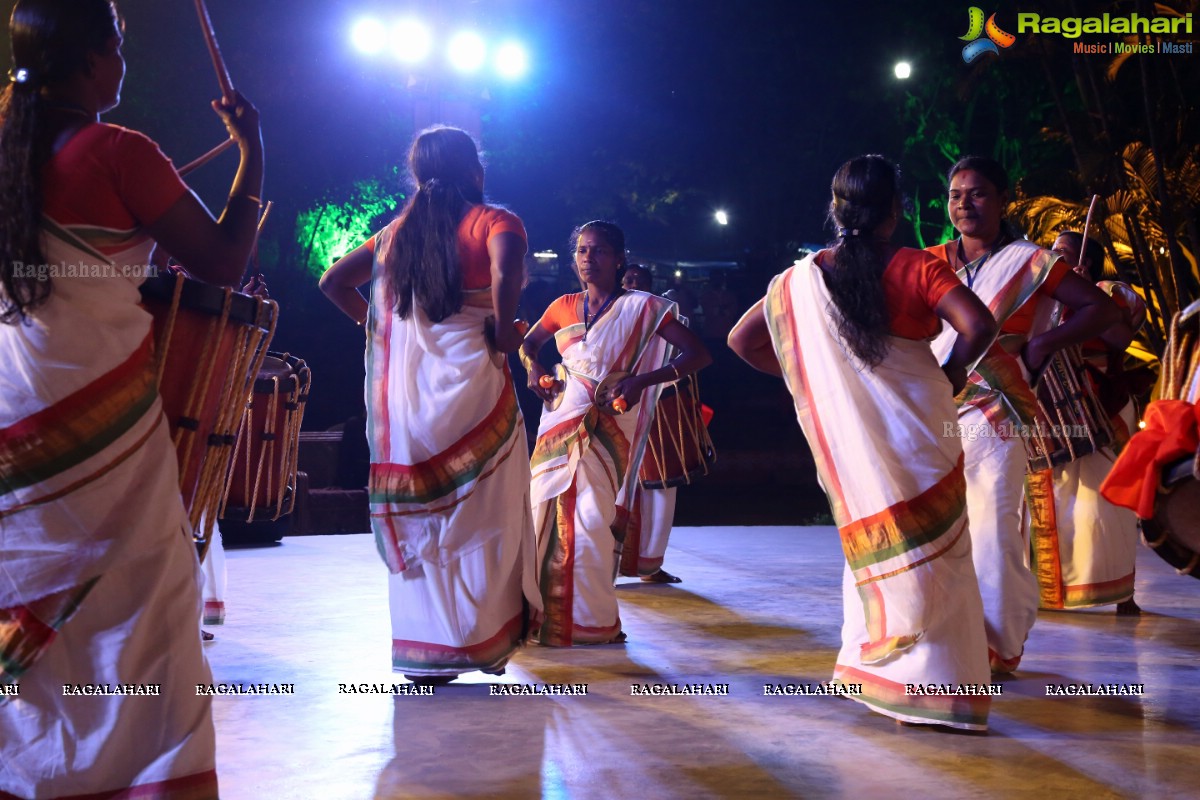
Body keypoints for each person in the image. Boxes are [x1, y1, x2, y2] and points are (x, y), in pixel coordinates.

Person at [0, 0, 263, 795]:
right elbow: (221, 260)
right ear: (86, 59)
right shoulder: (118, 152)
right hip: (104, 431)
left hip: (14, 426)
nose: (123, 65)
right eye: (116, 48)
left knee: (29, 614)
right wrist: (254, 153)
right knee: (139, 621)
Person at [729, 155, 998, 731]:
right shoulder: (916, 266)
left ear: (837, 209)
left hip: (863, 437)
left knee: (874, 544)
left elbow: (741, 341)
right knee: (942, 554)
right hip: (924, 426)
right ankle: (939, 694)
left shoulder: (804, 278)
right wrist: (950, 374)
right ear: (896, 210)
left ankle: (883, 682)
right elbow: (979, 326)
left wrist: (822, 380)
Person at [320, 126, 540, 682]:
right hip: (476, 383)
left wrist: (378, 332)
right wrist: (508, 334)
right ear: (475, 170)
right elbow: (506, 268)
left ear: (418, 175)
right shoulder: (496, 221)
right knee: (484, 510)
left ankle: (428, 649)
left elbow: (332, 283)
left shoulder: (395, 235)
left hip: (411, 397)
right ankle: (478, 637)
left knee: (427, 517)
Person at [926, 157, 1121, 673]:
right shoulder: (930, 261)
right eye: (955, 194)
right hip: (931, 407)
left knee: (993, 527)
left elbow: (1101, 310)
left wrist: (1040, 348)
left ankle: (999, 645)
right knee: (941, 524)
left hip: (998, 409)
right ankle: (948, 631)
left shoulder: (1029, 261)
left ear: (1003, 200)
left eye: (977, 193)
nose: (964, 203)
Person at [521, 222, 711, 645]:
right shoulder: (561, 306)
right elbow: (529, 346)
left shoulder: (643, 307)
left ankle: (592, 624)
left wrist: (643, 382)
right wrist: (534, 370)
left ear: (619, 258)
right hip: (559, 424)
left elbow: (698, 353)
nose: (589, 258)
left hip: (609, 429)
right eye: (583, 251)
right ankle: (537, 619)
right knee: (540, 517)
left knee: (591, 521)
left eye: (600, 251)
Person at [1026, 231, 1144, 615]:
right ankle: (1048, 591)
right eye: (1052, 251)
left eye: (1061, 252)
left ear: (1086, 262)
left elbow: (1120, 338)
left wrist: (1082, 302)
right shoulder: (1040, 293)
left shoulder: (1109, 293)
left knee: (1107, 504)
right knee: (1054, 502)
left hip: (1102, 409)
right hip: (1052, 412)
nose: (1051, 256)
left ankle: (1121, 592)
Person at [618, 263, 686, 584]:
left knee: (660, 488)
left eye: (640, 281)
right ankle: (609, 566)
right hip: (616, 411)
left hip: (658, 408)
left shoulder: (663, 318)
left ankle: (650, 566)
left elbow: (686, 359)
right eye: (629, 279)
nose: (633, 284)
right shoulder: (607, 316)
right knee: (613, 486)